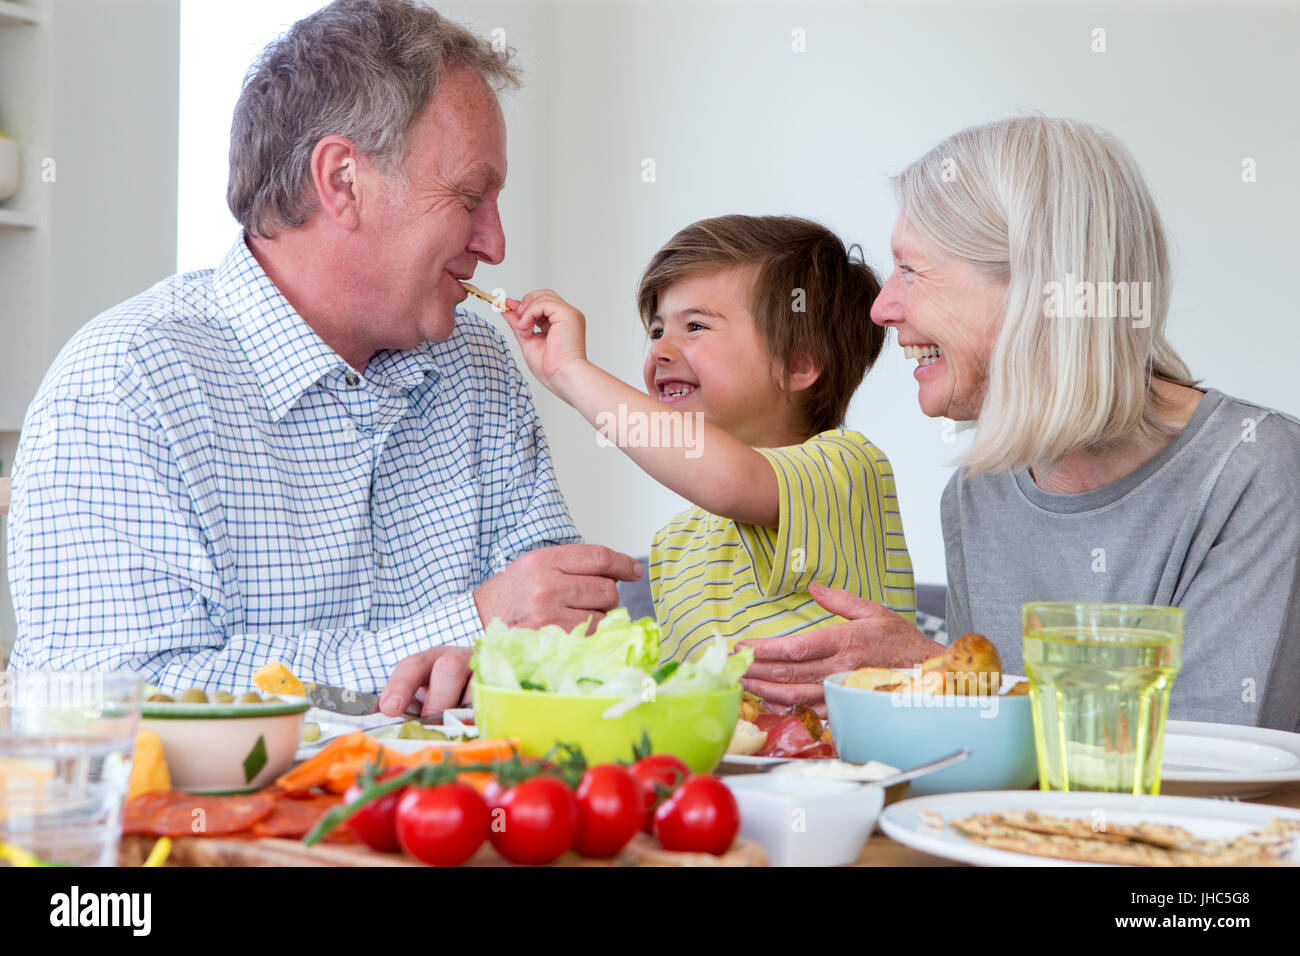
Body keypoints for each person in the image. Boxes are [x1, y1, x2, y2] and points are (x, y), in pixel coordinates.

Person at [6, 0, 641, 716]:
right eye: (470, 197)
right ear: (343, 181)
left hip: (463, 816)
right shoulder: (126, 384)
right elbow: (115, 702)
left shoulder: (480, 364)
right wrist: (468, 624)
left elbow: (557, 632)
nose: (496, 245)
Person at [741, 116, 1300, 731]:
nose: (882, 307)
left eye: (912, 270)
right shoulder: (977, 493)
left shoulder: (1258, 470)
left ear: (1037, 284)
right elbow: (992, 760)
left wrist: (937, 671)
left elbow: (1218, 765)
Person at [499, 215, 915, 664]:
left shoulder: (847, 470)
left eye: (695, 326)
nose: (659, 349)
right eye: (657, 330)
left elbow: (729, 480)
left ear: (798, 364)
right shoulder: (676, 543)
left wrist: (569, 371)